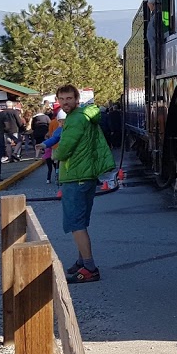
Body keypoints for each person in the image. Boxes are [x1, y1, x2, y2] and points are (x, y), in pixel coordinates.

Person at [52, 84, 116, 284]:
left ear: (77, 99)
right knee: (80, 220)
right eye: (62, 99)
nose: (65, 102)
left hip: (76, 177)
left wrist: (55, 154)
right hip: (85, 176)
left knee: (76, 224)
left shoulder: (76, 119)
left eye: (69, 98)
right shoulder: (82, 116)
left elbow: (64, 149)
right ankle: (82, 261)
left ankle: (89, 267)